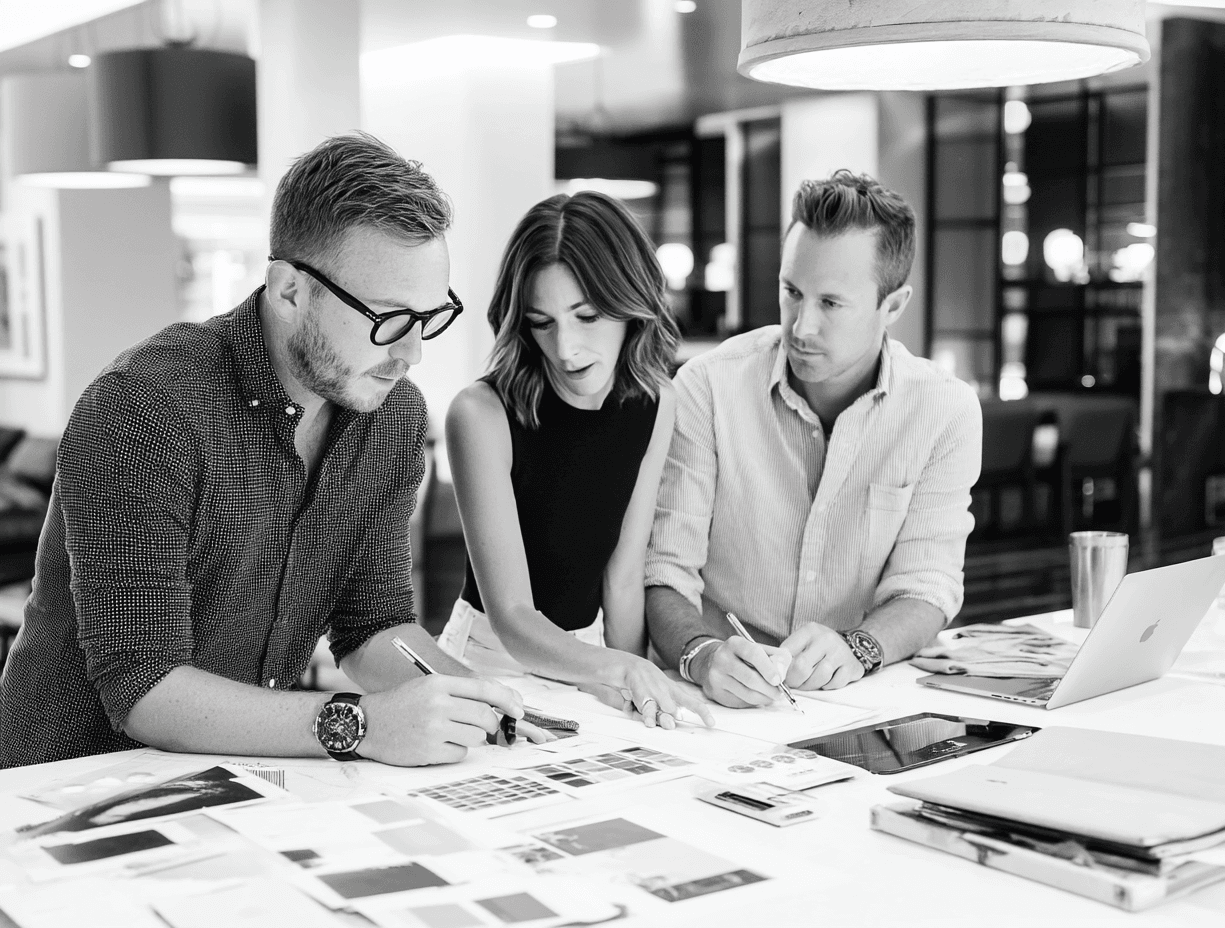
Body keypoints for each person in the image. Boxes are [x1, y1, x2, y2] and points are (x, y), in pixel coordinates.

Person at [0, 133, 540, 769]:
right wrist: (359, 724)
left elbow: (371, 625)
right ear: (289, 290)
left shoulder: (392, 415)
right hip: (68, 787)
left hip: (242, 779)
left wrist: (472, 701)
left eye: (429, 317)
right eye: (390, 319)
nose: (412, 352)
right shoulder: (146, 405)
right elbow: (142, 687)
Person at [645, 170, 982, 708]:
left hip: (857, 696)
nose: (801, 326)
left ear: (893, 305)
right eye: (792, 293)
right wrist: (702, 655)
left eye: (831, 303)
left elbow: (927, 586)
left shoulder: (945, 411)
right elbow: (665, 571)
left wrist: (860, 648)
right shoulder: (708, 387)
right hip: (715, 702)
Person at [442, 192, 713, 730]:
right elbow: (514, 615)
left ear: (630, 301)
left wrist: (638, 681)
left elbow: (623, 578)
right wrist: (620, 669)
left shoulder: (655, 402)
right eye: (543, 323)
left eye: (586, 316)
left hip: (596, 660)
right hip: (491, 659)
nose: (566, 348)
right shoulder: (479, 414)